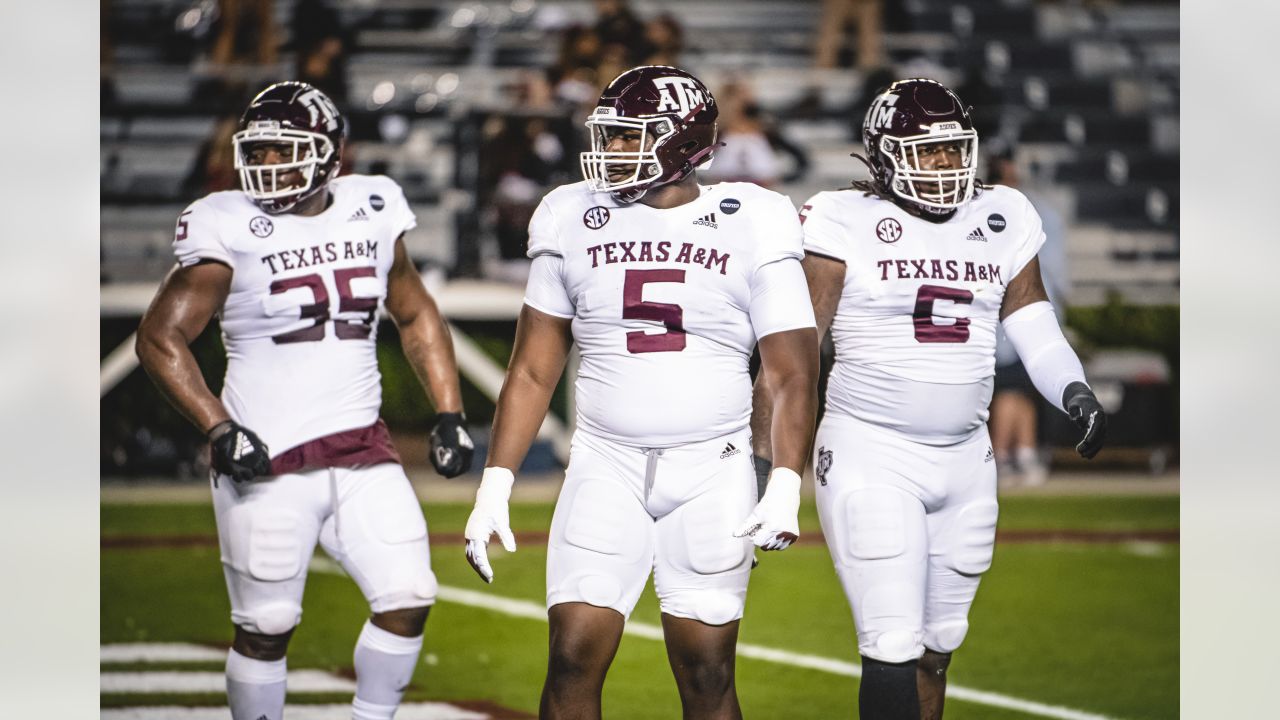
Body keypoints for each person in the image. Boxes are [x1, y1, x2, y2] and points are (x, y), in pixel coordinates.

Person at [462, 65, 819, 719]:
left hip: (713, 469)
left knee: (707, 676)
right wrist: (496, 484)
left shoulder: (754, 217)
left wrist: (784, 480)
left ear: (683, 141)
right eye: (612, 136)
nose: (613, 151)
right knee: (572, 655)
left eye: (632, 137)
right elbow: (534, 367)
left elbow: (792, 370)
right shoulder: (571, 212)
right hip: (605, 462)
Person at [760, 78, 1107, 719]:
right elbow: (795, 354)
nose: (945, 165)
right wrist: (770, 463)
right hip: (871, 449)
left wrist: (1071, 387)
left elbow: (1028, 316)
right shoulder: (844, 218)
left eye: (953, 149)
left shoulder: (1003, 214)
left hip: (966, 459)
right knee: (891, 640)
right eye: (927, 151)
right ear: (884, 153)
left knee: (937, 645)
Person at [135, 81, 475, 720]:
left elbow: (414, 309)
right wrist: (218, 427)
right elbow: (160, 337)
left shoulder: (373, 204)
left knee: (408, 595)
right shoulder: (226, 222)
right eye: (258, 153)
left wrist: (449, 412)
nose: (268, 166)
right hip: (264, 455)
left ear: (332, 153)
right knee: (266, 624)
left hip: (360, 447)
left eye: (284, 151)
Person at [986, 149, 1073, 486]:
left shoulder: (1033, 211)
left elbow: (1050, 272)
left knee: (1020, 389)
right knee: (1010, 389)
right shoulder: (1024, 210)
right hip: (1003, 317)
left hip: (1021, 311)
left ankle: (1020, 452)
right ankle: (1006, 454)